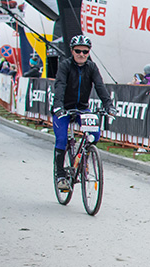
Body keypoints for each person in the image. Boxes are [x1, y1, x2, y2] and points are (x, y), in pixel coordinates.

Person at [51, 35, 115, 191]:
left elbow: (100, 86)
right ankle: (60, 176)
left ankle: (83, 158)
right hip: (63, 108)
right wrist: (58, 106)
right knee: (61, 139)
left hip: (82, 108)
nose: (81, 54)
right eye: (78, 51)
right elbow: (60, 86)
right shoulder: (65, 66)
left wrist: (109, 105)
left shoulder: (91, 67)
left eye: (85, 51)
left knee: (95, 134)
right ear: (72, 51)